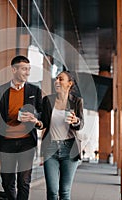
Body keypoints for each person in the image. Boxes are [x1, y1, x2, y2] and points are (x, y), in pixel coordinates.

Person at [0, 55, 42, 200]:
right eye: (23, 69)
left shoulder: (35, 90)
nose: (27, 72)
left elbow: (42, 114)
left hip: (27, 142)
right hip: (6, 142)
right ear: (14, 70)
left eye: (28, 69)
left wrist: (35, 119)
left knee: (24, 181)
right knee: (7, 181)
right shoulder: (0, 91)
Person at [37, 70, 84, 200]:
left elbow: (81, 124)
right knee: (52, 191)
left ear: (69, 83)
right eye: (56, 78)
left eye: (61, 79)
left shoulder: (77, 101)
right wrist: (37, 123)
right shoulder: (48, 100)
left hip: (70, 149)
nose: (57, 81)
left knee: (64, 191)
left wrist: (76, 121)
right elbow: (43, 123)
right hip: (50, 148)